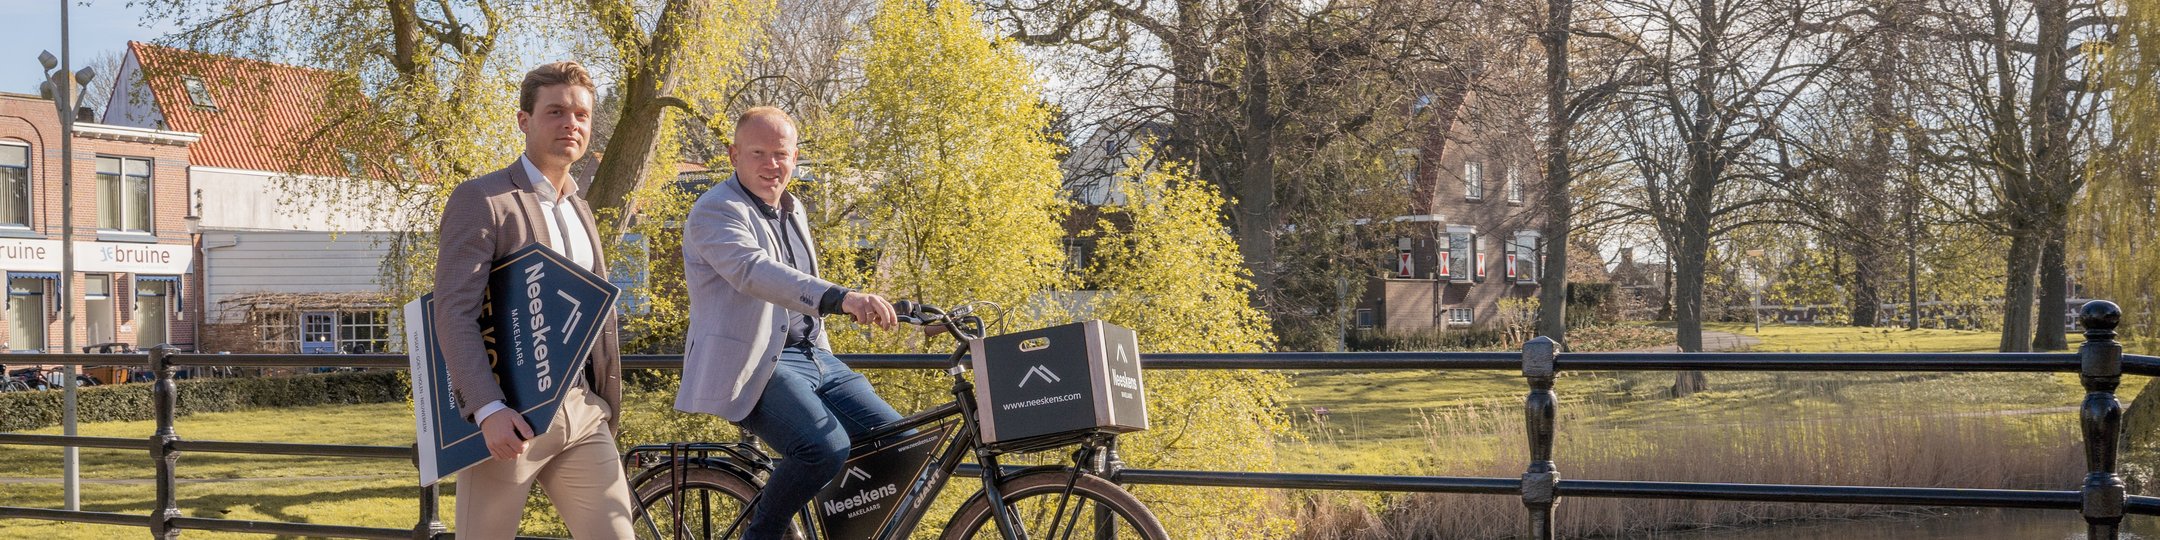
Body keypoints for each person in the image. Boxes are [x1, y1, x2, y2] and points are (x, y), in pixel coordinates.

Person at [432, 60, 636, 539]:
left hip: (583, 413)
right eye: (556, 112)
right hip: (509, 421)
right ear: (524, 120)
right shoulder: (483, 199)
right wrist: (487, 409)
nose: (572, 124)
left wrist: (603, 404)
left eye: (582, 115)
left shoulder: (582, 209)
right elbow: (453, 312)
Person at [678, 106, 903, 539]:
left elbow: (800, 282)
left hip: (814, 356)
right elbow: (753, 270)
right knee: (823, 448)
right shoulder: (715, 210)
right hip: (756, 361)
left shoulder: (793, 209)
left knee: (896, 443)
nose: (770, 165)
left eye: (780, 154)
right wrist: (842, 297)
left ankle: (839, 526)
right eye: (758, 153)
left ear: (794, 158)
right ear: (733, 155)